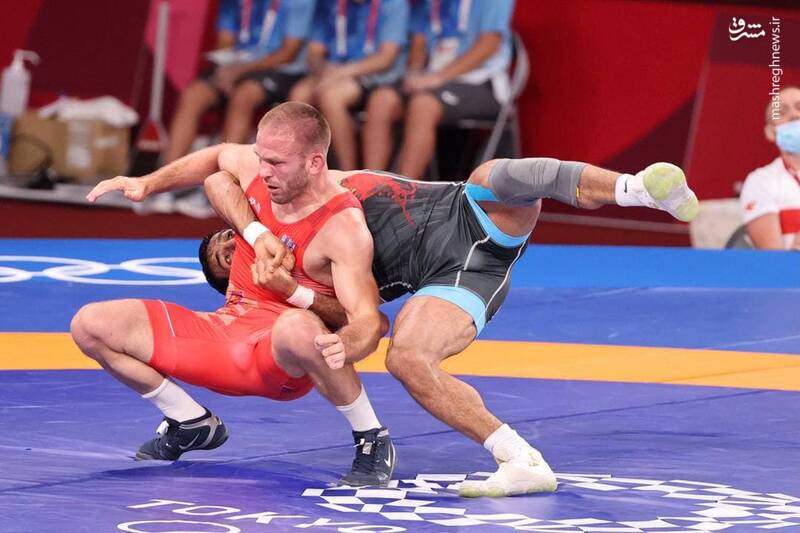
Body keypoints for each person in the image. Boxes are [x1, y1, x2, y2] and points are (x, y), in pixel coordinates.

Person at [90, 128, 699, 497]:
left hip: (470, 207)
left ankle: (637, 189)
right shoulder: (303, 271)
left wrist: (147, 183)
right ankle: (521, 460)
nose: (232, 246)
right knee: (407, 357)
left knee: (495, 176)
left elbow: (220, 169)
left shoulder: (272, 197)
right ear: (235, 276)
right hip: (467, 270)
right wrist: (296, 295)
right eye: (225, 257)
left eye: (226, 239)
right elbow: (360, 324)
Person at [73, 103, 395, 488]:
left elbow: (368, 320)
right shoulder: (258, 175)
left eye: (276, 163)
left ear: (314, 163)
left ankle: (372, 437)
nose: (264, 171)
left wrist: (295, 294)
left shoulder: (342, 227)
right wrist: (148, 184)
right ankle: (189, 421)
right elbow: (217, 160)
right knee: (90, 324)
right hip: (225, 331)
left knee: (297, 326)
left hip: (278, 356)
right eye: (261, 158)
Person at [363, 0, 515, 178]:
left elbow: (488, 45)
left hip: (480, 81)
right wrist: (415, 71)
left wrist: (438, 78)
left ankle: (404, 190)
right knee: (381, 99)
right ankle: (367, 185)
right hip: (432, 80)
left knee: (423, 105)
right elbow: (419, 40)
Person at [166, 0, 317, 163]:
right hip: (238, 64)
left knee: (242, 96)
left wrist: (240, 71)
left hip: (280, 68)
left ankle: (226, 172)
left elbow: (288, 53)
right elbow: (225, 40)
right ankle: (168, 173)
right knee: (193, 95)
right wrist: (225, 69)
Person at [289, 0, 409, 170]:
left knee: (332, 97)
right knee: (299, 94)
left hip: (375, 76)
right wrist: (324, 69)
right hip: (334, 71)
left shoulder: (392, 4)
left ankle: (347, 174)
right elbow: (314, 52)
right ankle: (300, 171)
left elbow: (386, 58)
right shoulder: (328, 4)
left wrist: (341, 73)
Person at [740, 85, 800, 250]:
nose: (794, 115)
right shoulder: (760, 181)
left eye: (799, 108)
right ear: (770, 132)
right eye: (782, 112)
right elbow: (773, 259)